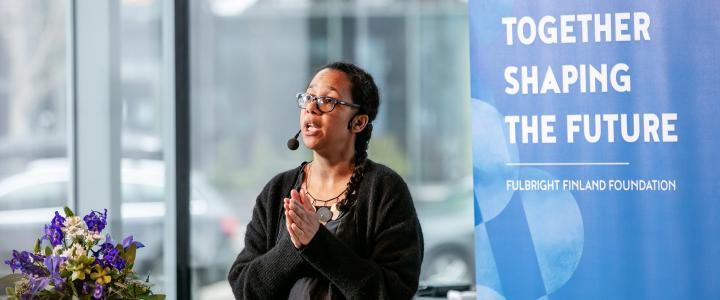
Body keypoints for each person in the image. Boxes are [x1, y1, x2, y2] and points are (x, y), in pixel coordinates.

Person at [227, 62, 424, 299]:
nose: (311, 107)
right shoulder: (277, 190)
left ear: (359, 122)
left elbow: (394, 291)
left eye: (327, 100)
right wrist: (292, 248)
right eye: (309, 97)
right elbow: (244, 288)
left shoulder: (384, 189)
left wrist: (317, 244)